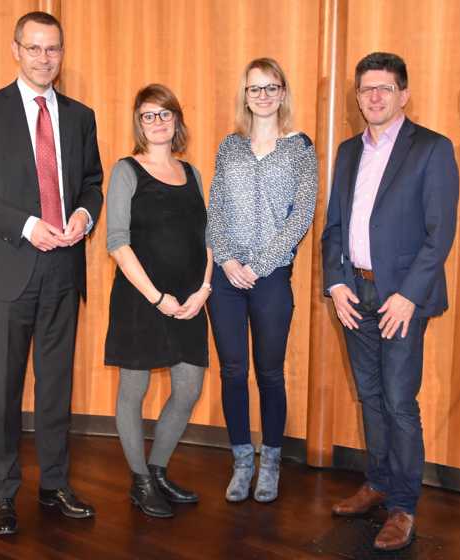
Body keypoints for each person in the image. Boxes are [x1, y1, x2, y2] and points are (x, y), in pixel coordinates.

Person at [0, 11, 103, 535]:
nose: (45, 58)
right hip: (9, 272)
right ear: (15, 49)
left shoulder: (81, 116)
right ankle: (2, 492)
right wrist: (27, 225)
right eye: (35, 48)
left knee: (57, 387)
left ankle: (55, 484)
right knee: (5, 390)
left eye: (53, 49)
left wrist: (85, 214)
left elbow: (91, 182)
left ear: (62, 53)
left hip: (65, 270)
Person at [322, 52, 459, 551]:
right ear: (357, 96)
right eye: (365, 89)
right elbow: (334, 227)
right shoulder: (348, 151)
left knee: (400, 404)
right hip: (353, 293)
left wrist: (407, 296)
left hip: (401, 298)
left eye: (384, 88)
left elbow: (438, 234)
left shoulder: (431, 149)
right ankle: (377, 481)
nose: (373, 97)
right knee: (371, 396)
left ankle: (403, 505)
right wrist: (335, 284)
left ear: (404, 94)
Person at [206, 58, 318, 503]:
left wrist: (262, 263)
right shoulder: (229, 146)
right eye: (256, 88)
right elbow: (215, 210)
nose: (264, 95)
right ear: (245, 95)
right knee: (233, 371)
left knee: (270, 373)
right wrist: (229, 260)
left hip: (271, 278)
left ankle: (270, 462)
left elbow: (302, 215)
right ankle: (241, 461)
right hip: (227, 277)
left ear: (284, 92)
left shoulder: (300, 148)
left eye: (272, 87)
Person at [104, 84, 212, 518]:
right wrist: (157, 298)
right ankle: (140, 481)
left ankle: (159, 469)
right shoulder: (126, 170)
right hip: (140, 297)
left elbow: (209, 238)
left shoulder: (194, 174)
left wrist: (203, 290)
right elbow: (117, 242)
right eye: (148, 115)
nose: (158, 122)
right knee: (134, 388)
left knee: (188, 388)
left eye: (165, 114)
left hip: (189, 299)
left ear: (177, 120)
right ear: (139, 122)